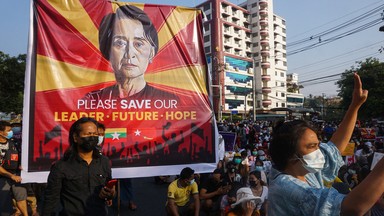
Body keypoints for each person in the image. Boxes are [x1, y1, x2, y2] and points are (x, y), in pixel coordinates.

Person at [268, 73, 384, 215]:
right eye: (311, 146)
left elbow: (335, 147)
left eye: (318, 144)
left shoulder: (304, 172)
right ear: (291, 155)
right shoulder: (285, 187)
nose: (319, 151)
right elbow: (352, 208)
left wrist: (355, 105)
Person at [84, 5, 178, 101]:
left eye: (138, 44)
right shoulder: (92, 101)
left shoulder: (168, 102)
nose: (129, 53)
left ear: (151, 53)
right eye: (120, 43)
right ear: (108, 51)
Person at [42, 117, 115, 215]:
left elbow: (109, 192)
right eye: (88, 134)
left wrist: (110, 194)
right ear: (76, 137)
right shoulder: (61, 166)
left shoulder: (104, 162)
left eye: (95, 134)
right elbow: (51, 201)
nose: (92, 137)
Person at [0, 121, 28, 216]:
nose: (11, 132)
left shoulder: (14, 143)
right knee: (2, 199)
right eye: (9, 130)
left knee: (21, 196)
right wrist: (11, 176)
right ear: (0, 132)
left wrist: (21, 164)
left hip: (16, 175)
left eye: (11, 130)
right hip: (3, 176)